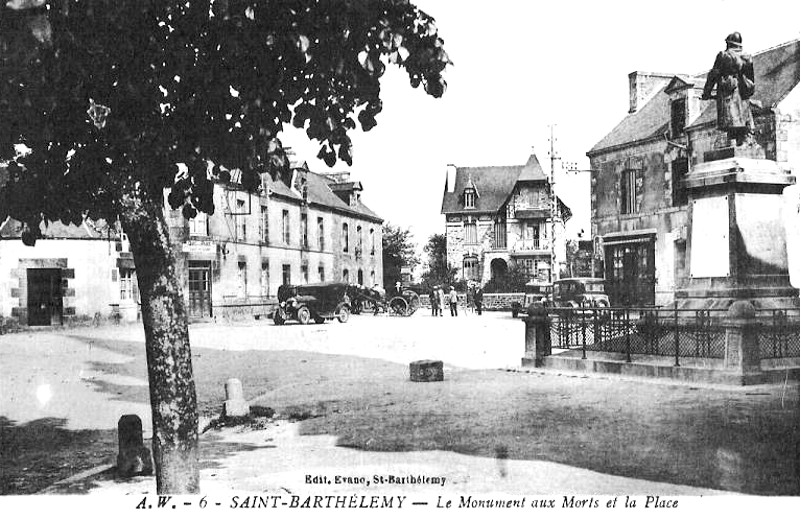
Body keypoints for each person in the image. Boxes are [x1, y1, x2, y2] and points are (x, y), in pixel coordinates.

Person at [701, 31, 756, 145]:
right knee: (741, 117)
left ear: (729, 43)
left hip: (727, 90)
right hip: (742, 92)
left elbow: (713, 75)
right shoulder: (747, 57)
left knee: (730, 118)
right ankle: (742, 141)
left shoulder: (723, 55)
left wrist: (707, 93)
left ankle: (732, 142)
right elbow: (751, 79)